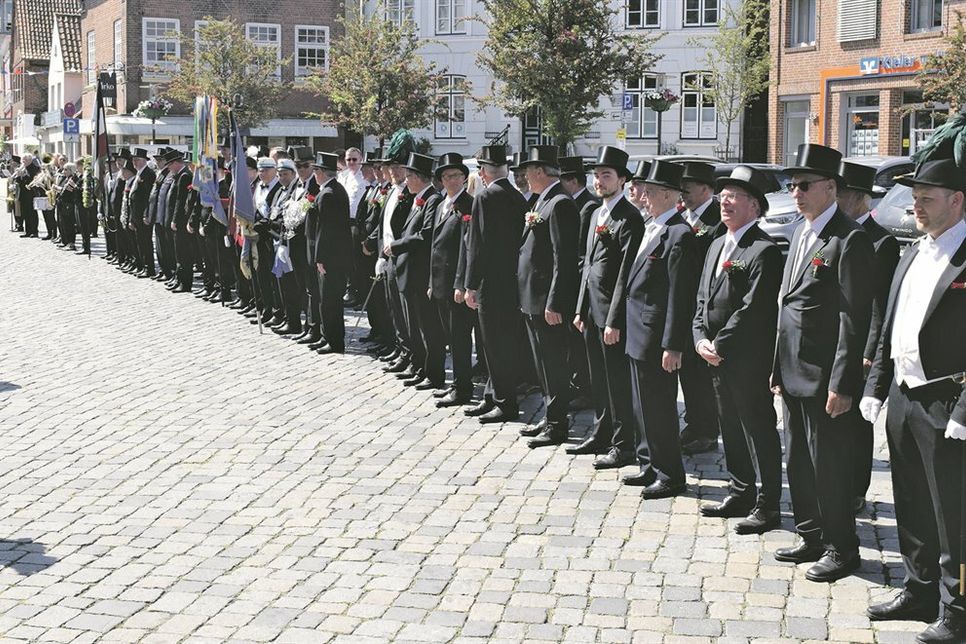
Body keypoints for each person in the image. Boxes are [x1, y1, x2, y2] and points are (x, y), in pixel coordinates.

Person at [860, 154, 966, 644]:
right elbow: (890, 326)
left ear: (957, 201)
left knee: (954, 512)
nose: (916, 206)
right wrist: (876, 387)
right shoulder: (912, 251)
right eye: (915, 198)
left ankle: (957, 608)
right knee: (911, 502)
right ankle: (919, 588)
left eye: (926, 198)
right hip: (905, 397)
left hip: (949, 402)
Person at [771, 143, 874, 583]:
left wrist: (843, 383)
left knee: (829, 466)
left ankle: (841, 548)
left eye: (805, 185)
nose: (796, 192)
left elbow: (855, 318)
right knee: (797, 459)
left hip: (823, 376)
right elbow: (788, 305)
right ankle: (810, 533)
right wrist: (776, 368)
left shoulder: (850, 239)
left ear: (830, 188)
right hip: (792, 369)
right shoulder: (801, 232)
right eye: (792, 185)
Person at [693, 166, 784, 534]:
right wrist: (699, 335)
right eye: (723, 195)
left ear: (755, 206)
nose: (725, 202)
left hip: (746, 359)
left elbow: (754, 308)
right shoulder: (717, 243)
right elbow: (702, 298)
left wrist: (720, 343)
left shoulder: (764, 250)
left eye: (734, 196)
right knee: (729, 426)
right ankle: (740, 490)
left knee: (757, 429)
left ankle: (769, 504)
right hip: (714, 356)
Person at [623, 160, 699, 497]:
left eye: (650, 192)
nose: (644, 197)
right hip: (638, 333)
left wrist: (673, 345)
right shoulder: (652, 226)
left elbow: (679, 296)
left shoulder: (679, 234)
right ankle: (648, 463)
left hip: (656, 337)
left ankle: (670, 474)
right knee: (642, 406)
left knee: (659, 409)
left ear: (670, 195)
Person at [570, 146, 643, 467]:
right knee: (597, 378)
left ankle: (624, 444)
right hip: (591, 313)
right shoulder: (595, 213)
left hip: (613, 317)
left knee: (617, 382)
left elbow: (626, 273)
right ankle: (601, 432)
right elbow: (586, 265)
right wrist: (579, 309)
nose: (599, 181)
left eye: (606, 175)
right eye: (596, 175)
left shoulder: (629, 218)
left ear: (623, 180)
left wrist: (614, 320)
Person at [836, 160, 901, 513]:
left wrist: (871, 352)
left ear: (860, 198)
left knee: (858, 427)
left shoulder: (882, 242)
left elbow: (881, 305)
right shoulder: (838, 233)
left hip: (863, 347)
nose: (836, 198)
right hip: (838, 343)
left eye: (842, 192)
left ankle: (856, 490)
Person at [514, 146, 580, 448]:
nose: (525, 176)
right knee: (541, 362)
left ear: (540, 171)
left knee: (553, 363)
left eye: (528, 170)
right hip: (531, 298)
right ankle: (549, 414)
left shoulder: (560, 204)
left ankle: (557, 424)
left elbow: (562, 258)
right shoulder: (543, 201)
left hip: (546, 302)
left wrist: (555, 301)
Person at [464, 145, 527, 423]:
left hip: (491, 283)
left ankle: (504, 401)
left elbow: (478, 245)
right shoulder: (518, 197)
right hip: (513, 282)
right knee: (505, 344)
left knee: (492, 345)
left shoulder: (485, 198)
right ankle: (493, 396)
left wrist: (470, 284)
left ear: (483, 172)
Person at [676, 162, 723, 455]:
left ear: (706, 190)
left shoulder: (716, 221)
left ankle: (707, 430)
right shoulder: (686, 216)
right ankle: (694, 423)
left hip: (703, 306)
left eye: (688, 189)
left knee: (701, 375)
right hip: (685, 305)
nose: (683, 195)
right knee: (689, 374)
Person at [388, 153, 446, 387]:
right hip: (407, 273)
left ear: (420, 177)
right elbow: (399, 224)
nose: (406, 180)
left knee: (428, 328)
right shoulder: (414, 198)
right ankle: (419, 366)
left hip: (420, 273)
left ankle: (433, 373)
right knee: (414, 326)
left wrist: (396, 246)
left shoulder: (431, 199)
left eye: (409, 176)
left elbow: (425, 235)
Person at [428, 152, 476, 407]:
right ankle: (456, 384)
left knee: (459, 339)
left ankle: (463, 388)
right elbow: (434, 246)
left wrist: (461, 283)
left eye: (456, 175)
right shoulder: (440, 205)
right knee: (449, 337)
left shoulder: (468, 205)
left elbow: (466, 249)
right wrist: (430, 281)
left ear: (464, 178)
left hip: (454, 284)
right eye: (446, 177)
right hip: (439, 282)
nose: (451, 181)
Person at [311, 152, 353, 354]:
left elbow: (325, 230)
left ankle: (334, 340)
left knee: (329, 300)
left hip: (332, 257)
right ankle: (327, 335)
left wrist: (320, 257)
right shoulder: (334, 189)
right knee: (326, 299)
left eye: (315, 170)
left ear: (321, 172)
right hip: (336, 255)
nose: (314, 174)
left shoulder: (328, 194)